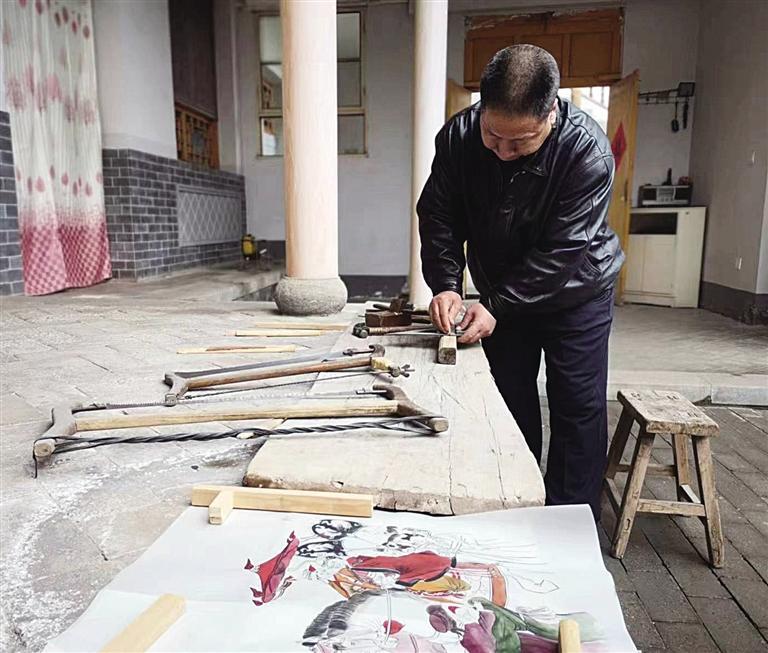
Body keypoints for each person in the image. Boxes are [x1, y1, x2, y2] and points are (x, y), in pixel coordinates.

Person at [417, 44, 624, 520]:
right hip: (501, 290)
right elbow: (439, 216)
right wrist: (446, 284)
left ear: (551, 113)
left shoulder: (587, 152)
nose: (504, 152)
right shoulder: (459, 137)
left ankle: (569, 523)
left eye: (521, 142)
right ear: (481, 108)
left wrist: (497, 304)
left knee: (577, 405)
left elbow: (562, 252)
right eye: (494, 135)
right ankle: (515, 506)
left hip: (577, 292)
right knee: (508, 398)